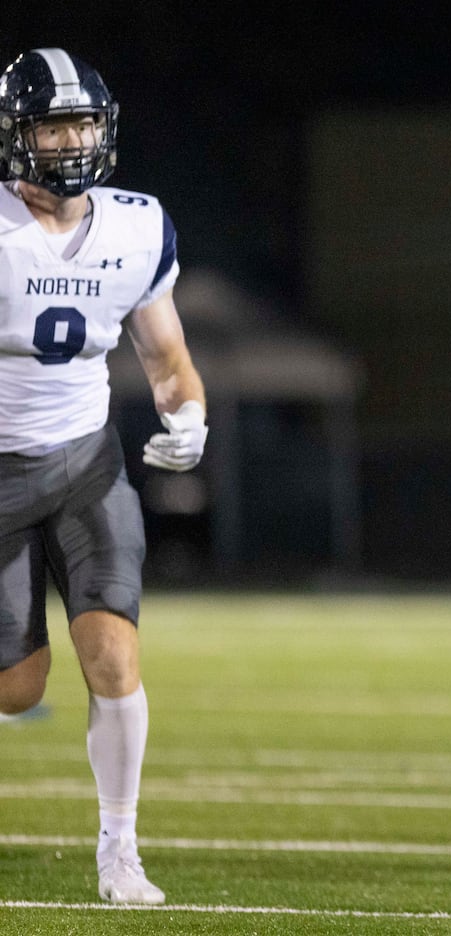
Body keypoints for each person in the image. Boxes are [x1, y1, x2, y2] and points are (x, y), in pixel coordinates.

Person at [0, 48, 209, 905]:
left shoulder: (135, 225)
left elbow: (167, 358)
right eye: (54, 123)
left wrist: (188, 415)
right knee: (17, 690)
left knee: (114, 659)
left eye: (84, 121)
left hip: (88, 464)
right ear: (19, 135)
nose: (73, 139)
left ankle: (119, 851)